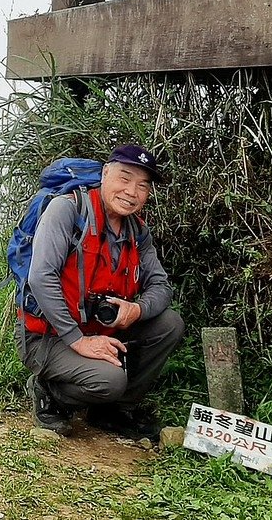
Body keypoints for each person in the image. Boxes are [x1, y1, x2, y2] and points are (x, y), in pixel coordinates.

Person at [15, 144, 184, 438]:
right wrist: (77, 340)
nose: (132, 192)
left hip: (99, 330)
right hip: (49, 336)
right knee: (110, 380)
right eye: (124, 178)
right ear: (105, 174)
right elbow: (41, 277)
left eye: (142, 186)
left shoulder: (137, 232)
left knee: (170, 324)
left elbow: (161, 286)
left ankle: (113, 411)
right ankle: (49, 392)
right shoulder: (67, 210)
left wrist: (137, 309)